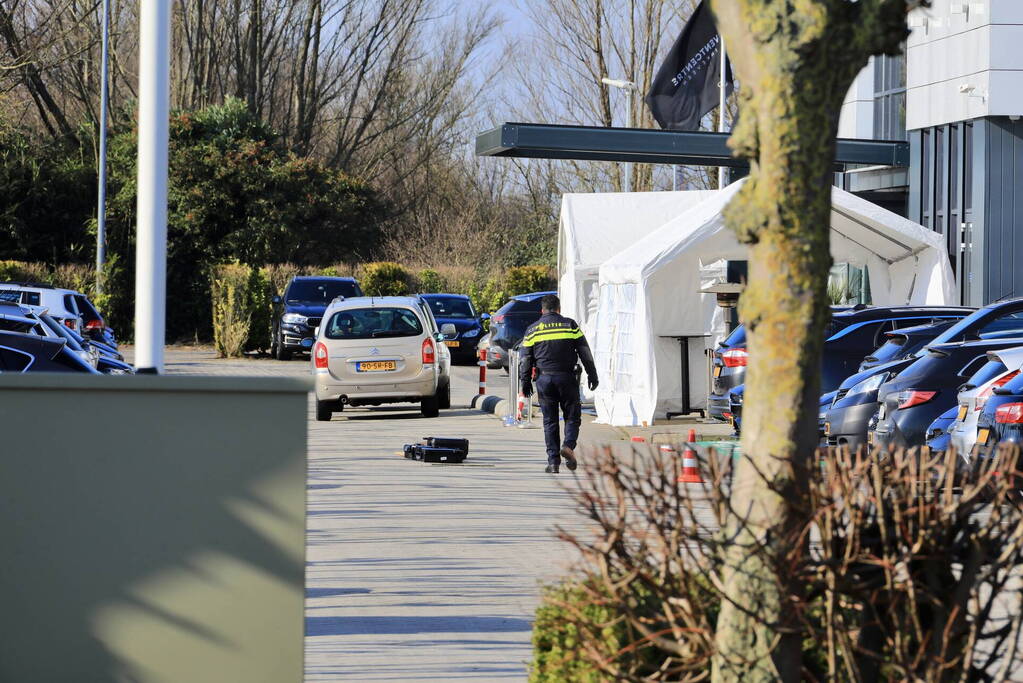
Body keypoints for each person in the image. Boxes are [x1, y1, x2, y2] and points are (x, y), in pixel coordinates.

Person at [519, 294, 599, 474]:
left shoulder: (532, 330)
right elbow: (584, 352)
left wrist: (525, 382)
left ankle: (553, 462)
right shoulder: (570, 325)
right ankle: (568, 446)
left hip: (544, 379)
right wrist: (592, 374)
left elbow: (525, 359)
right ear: (559, 309)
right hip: (567, 378)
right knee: (572, 416)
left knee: (550, 421)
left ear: (542, 310)